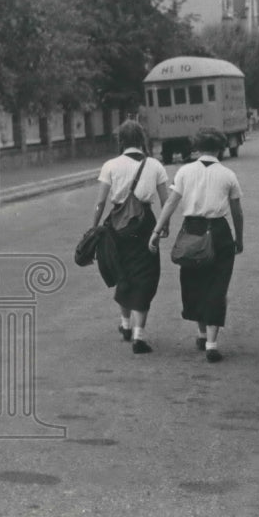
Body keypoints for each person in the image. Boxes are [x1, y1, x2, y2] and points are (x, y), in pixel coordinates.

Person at [148, 127, 244, 362]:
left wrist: (156, 230)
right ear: (220, 148)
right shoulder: (228, 175)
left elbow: (170, 202)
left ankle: (201, 333)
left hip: (192, 231)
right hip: (219, 232)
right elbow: (237, 211)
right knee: (217, 286)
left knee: (195, 283)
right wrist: (239, 238)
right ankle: (211, 343)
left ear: (197, 147)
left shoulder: (184, 172)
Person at [91, 120, 170, 354]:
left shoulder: (110, 165)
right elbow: (166, 201)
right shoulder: (155, 165)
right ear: (142, 140)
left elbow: (100, 202)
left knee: (123, 270)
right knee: (145, 274)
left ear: (121, 141)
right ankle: (139, 336)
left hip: (117, 223)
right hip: (145, 223)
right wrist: (165, 226)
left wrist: (93, 227)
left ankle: (125, 324)